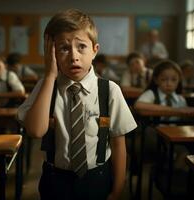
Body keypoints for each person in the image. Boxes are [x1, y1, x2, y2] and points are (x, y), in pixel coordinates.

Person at [17, 9, 137, 200]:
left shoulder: (109, 90)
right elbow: (35, 131)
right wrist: (49, 75)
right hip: (55, 180)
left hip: (97, 178)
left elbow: (118, 143)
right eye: (63, 48)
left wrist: (117, 189)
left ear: (95, 50)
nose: (74, 56)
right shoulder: (46, 87)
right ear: (52, 54)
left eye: (81, 47)